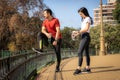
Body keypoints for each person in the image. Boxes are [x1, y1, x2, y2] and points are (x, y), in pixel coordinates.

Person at [73, 7, 93, 75]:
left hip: (86, 37)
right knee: (86, 53)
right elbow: (83, 30)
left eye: (81, 14)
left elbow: (86, 28)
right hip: (84, 36)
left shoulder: (88, 18)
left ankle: (78, 69)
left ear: (84, 12)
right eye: (80, 14)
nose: (80, 15)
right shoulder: (84, 19)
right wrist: (77, 33)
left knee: (79, 52)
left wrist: (78, 32)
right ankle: (88, 68)